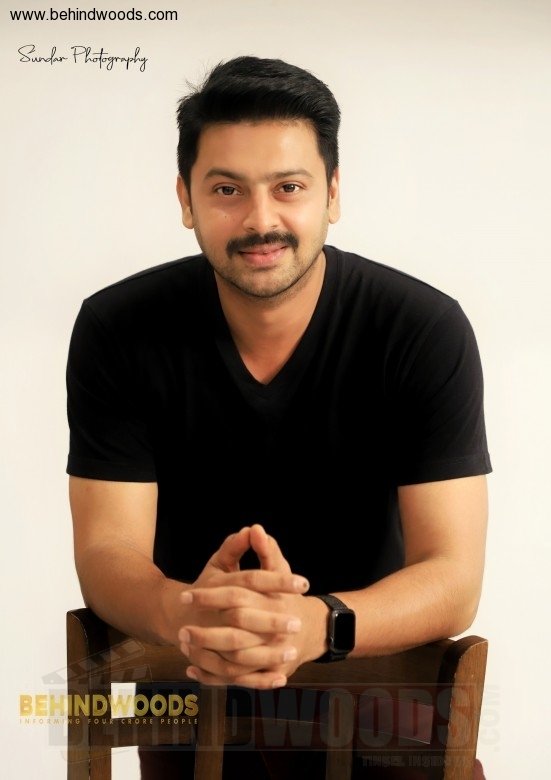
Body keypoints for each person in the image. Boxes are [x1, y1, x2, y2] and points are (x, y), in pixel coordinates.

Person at [66, 56, 491, 779]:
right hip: (192, 701)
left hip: (382, 709)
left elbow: (453, 576)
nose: (260, 220)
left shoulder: (421, 329)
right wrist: (183, 610)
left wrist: (318, 623)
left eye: (288, 187)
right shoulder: (119, 329)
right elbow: (106, 551)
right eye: (226, 190)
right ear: (185, 198)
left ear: (332, 193)